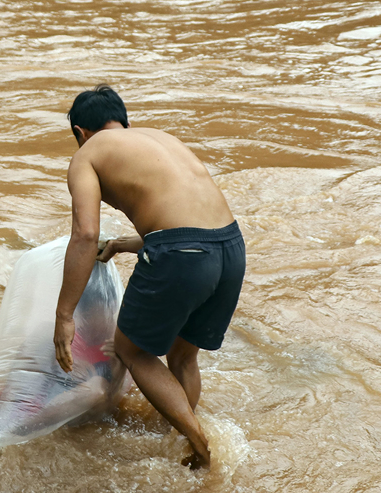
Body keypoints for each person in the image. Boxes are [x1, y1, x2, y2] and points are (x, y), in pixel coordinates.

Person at [53, 85, 246, 469]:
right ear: (123, 121)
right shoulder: (162, 139)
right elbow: (192, 221)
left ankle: (200, 443)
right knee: (182, 356)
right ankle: (183, 443)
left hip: (184, 254)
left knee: (131, 349)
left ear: (79, 132)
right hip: (231, 248)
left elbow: (85, 234)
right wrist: (129, 244)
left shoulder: (88, 154)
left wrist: (64, 315)